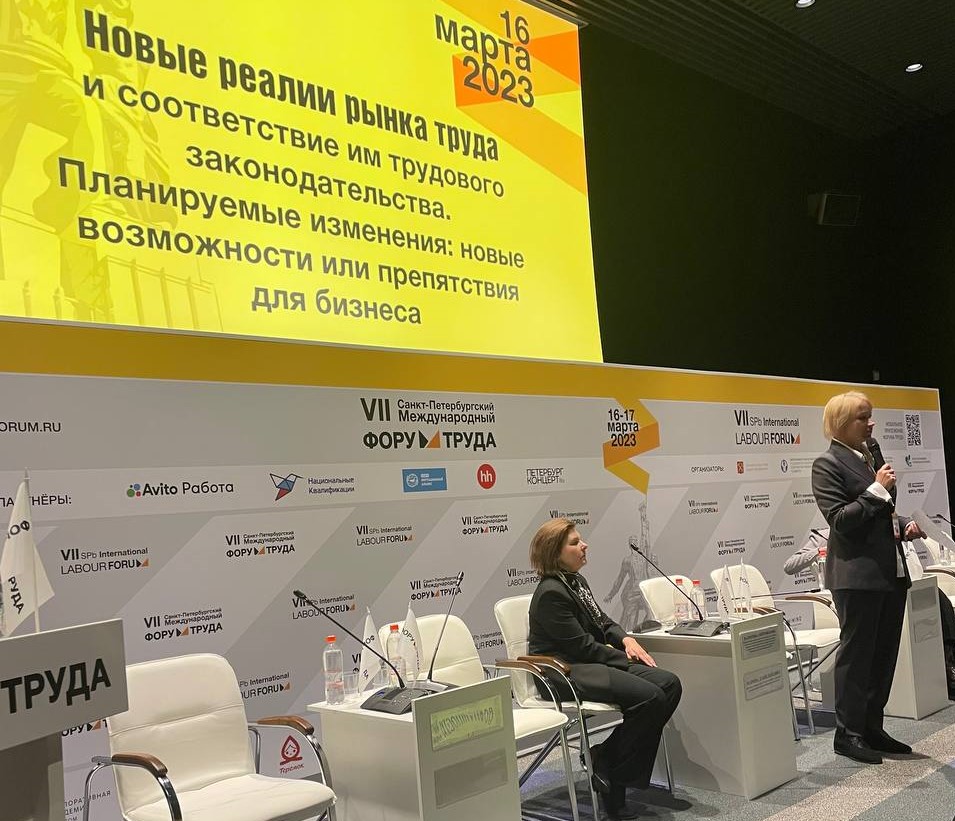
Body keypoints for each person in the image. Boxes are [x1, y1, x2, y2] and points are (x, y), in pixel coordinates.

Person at [528, 518, 682, 818]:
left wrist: (625, 639)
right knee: (651, 698)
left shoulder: (575, 582)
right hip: (563, 674)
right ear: (554, 553)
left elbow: (603, 622)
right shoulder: (550, 593)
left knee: (669, 684)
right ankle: (614, 781)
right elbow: (582, 648)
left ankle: (605, 759)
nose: (584, 545)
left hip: (589, 666)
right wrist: (624, 659)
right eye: (575, 543)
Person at [811, 391, 924, 764]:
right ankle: (848, 733)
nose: (871, 423)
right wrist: (876, 488)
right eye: (863, 417)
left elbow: (882, 512)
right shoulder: (827, 464)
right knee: (857, 655)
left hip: (890, 571)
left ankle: (872, 727)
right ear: (842, 423)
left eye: (871, 416)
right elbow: (840, 520)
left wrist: (903, 523)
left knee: (883, 654)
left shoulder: (869, 455)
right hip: (856, 576)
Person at [784, 525, 955, 699]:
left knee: (937, 599)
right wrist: (823, 550)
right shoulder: (825, 535)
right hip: (851, 599)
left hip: (889, 589)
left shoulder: (876, 530)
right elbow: (790, 565)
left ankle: (946, 664)